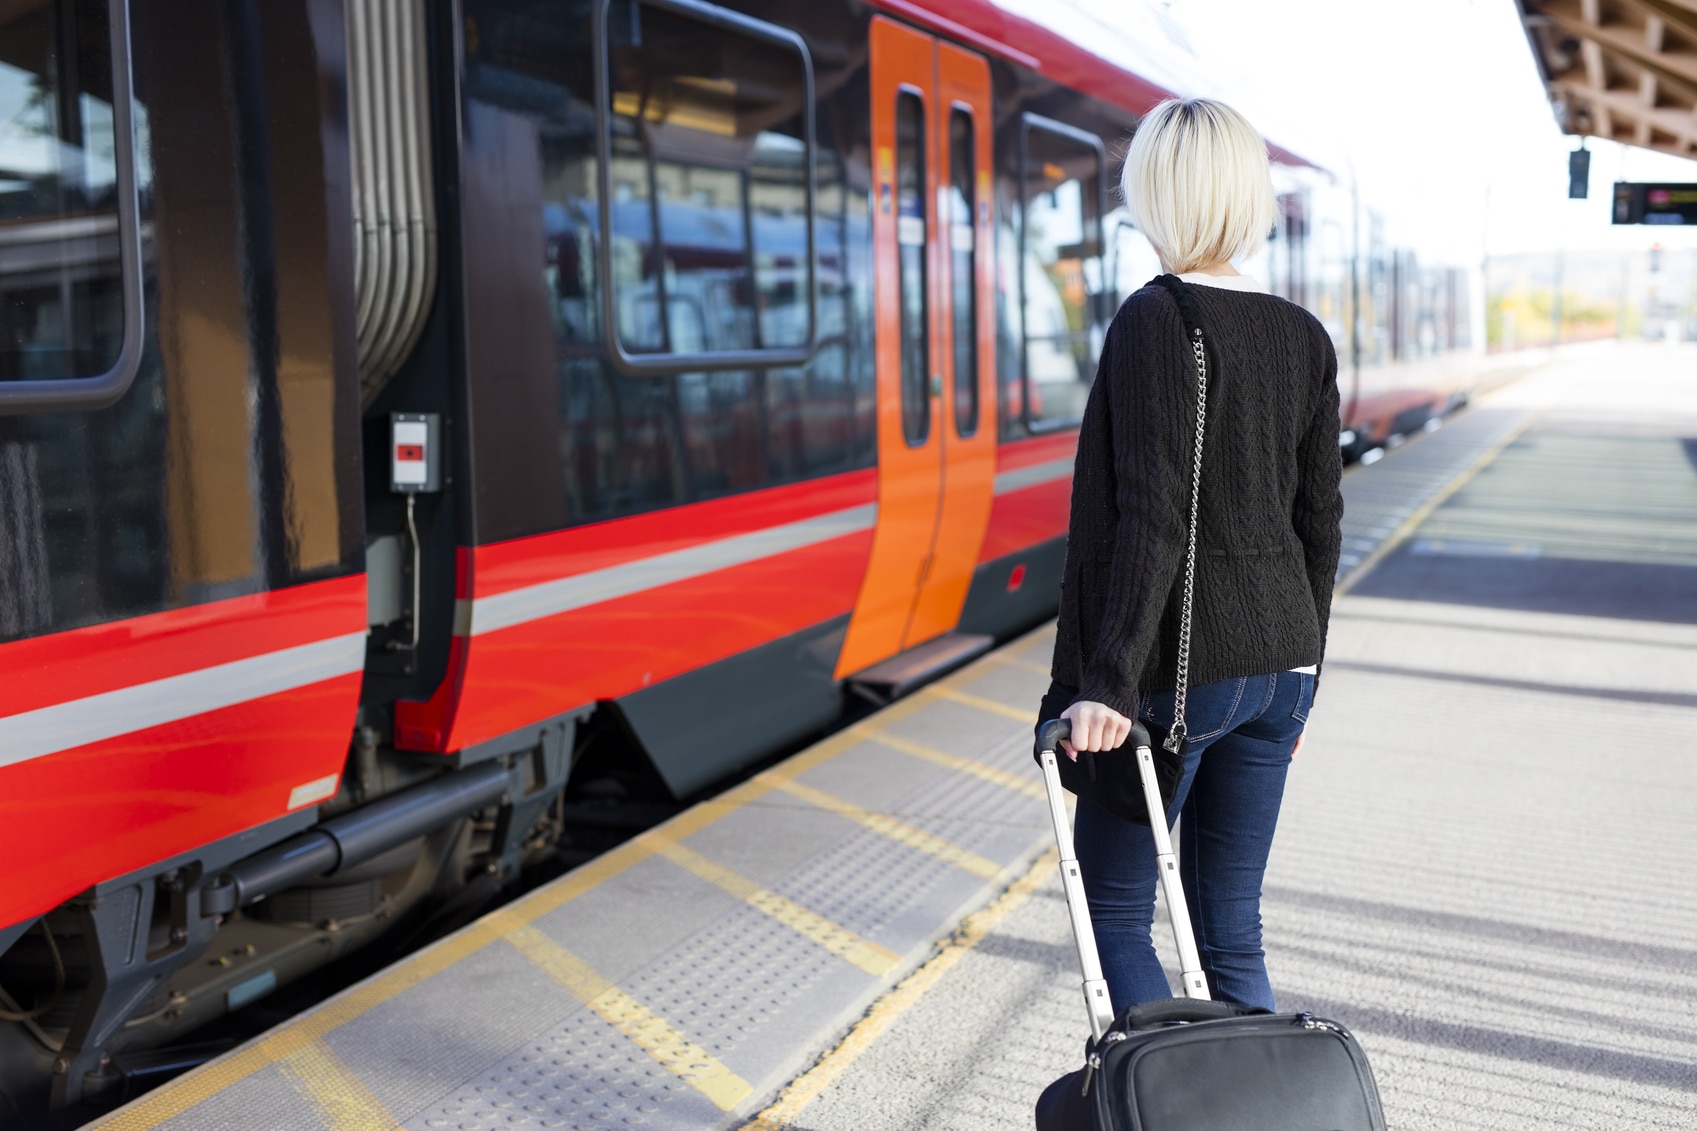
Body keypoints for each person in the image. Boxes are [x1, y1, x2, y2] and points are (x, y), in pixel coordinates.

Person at [1043, 97, 1343, 1015]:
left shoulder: (1155, 318)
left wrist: (1104, 681)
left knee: (1119, 916)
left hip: (1177, 678)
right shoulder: (1302, 333)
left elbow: (1151, 518)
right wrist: (1306, 666)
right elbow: (1320, 520)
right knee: (1229, 929)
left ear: (1157, 194)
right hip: (1278, 666)